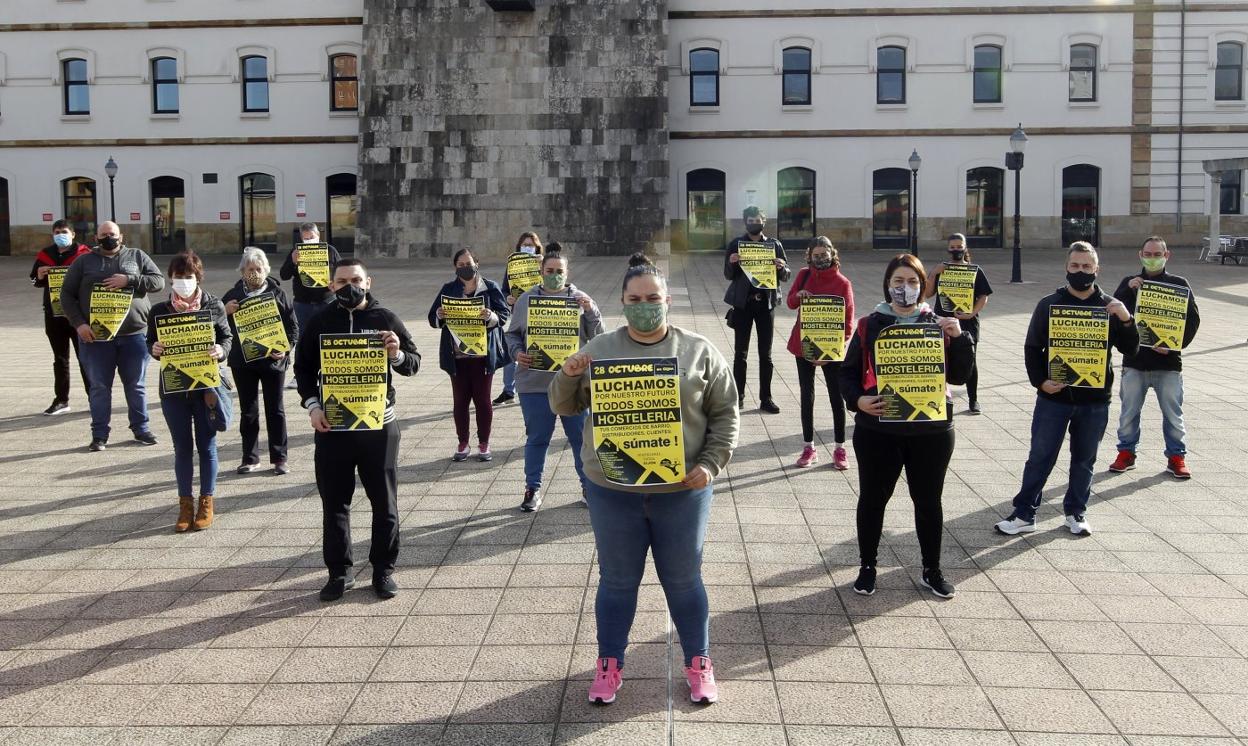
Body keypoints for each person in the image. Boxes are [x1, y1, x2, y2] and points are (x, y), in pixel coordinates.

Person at [551, 260, 739, 707]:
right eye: (635, 299)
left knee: (684, 580)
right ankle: (609, 663)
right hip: (614, 491)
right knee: (617, 582)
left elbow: (725, 413)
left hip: (682, 490)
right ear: (623, 302)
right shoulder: (599, 348)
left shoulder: (699, 350)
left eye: (653, 298)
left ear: (667, 301)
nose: (644, 306)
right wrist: (569, 374)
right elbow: (563, 405)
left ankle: (699, 662)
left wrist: (711, 464)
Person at [840, 254, 973, 599]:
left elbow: (960, 376)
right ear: (888, 285)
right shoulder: (869, 324)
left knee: (928, 502)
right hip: (879, 431)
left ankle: (932, 570)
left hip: (931, 432)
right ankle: (867, 567)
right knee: (873, 499)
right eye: (898, 281)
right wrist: (858, 400)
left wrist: (959, 338)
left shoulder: (939, 324)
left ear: (923, 286)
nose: (905, 288)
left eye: (913, 281)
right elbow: (847, 373)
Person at [295, 258, 421, 602]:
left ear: (368, 282)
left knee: (384, 502)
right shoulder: (320, 321)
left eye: (355, 280)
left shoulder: (386, 319)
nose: (349, 286)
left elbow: (413, 363)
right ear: (331, 285)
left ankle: (383, 571)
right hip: (333, 426)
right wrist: (313, 406)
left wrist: (396, 354)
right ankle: (339, 573)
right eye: (341, 281)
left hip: (379, 427)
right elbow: (302, 368)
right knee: (335, 503)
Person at [995, 242, 1138, 537]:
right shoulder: (1049, 304)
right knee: (1040, 457)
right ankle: (1024, 514)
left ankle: (1076, 512)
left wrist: (1126, 320)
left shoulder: (1110, 307)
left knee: (1084, 461)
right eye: (1075, 266)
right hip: (1054, 398)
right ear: (1066, 268)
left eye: (1086, 266)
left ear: (1096, 270)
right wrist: (1040, 382)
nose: (1080, 271)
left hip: (1094, 400)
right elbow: (1032, 347)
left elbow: (1131, 350)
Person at [505, 250, 605, 511]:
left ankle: (588, 486)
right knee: (537, 438)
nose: (554, 275)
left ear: (567, 273)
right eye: (549, 271)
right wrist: (517, 353)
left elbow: (598, 337)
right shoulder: (526, 300)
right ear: (541, 272)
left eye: (560, 271)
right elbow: (512, 334)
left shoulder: (580, 299)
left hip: (573, 385)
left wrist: (591, 311)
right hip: (534, 383)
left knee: (580, 439)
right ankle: (532, 489)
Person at [60, 221, 165, 451]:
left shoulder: (137, 256)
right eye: (104, 234)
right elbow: (66, 294)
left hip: (134, 334)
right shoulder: (83, 261)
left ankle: (141, 429)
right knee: (99, 387)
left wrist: (129, 280)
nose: (109, 238)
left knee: (136, 385)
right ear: (96, 238)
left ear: (121, 236)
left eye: (113, 234)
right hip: (96, 337)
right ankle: (99, 435)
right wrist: (79, 324)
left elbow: (158, 282)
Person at [147, 251, 232, 532]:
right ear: (171, 279)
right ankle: (185, 503)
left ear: (198, 278)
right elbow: (150, 342)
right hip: (174, 389)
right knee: (182, 447)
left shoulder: (213, 305)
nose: (183, 282)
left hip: (205, 387)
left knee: (207, 446)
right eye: (178, 277)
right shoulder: (159, 311)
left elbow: (226, 336)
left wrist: (221, 350)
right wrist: (154, 349)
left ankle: (207, 500)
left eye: (188, 276)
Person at [1109, 236, 1201, 479]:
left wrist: (1175, 345)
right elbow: (1114, 316)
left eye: (1157, 254)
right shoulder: (1129, 283)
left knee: (1173, 414)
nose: (1152, 258)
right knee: (1128, 412)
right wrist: (1127, 290)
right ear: (1140, 255)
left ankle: (1176, 457)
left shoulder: (1179, 284)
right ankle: (1126, 453)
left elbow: (1193, 320)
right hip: (1135, 362)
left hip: (1168, 364)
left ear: (1166, 255)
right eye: (1148, 254)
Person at [428, 248, 510, 462]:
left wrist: (491, 316)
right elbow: (432, 318)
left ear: (477, 264)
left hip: (483, 356)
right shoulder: (448, 289)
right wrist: (439, 315)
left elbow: (504, 315)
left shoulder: (490, 287)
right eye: (461, 265)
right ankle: (463, 442)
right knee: (460, 401)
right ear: (455, 267)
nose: (465, 268)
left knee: (483, 400)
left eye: (469, 263)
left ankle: (484, 443)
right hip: (457, 357)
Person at [222, 246, 299, 476]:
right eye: (250, 269)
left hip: (272, 361)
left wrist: (285, 348)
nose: (254, 273)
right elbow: (217, 328)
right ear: (242, 272)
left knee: (275, 409)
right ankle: (250, 458)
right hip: (243, 362)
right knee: (248, 411)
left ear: (266, 270)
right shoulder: (232, 296)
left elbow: (293, 327)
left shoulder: (278, 294)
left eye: (258, 269)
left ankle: (280, 458)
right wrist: (224, 311)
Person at [786, 237, 855, 470]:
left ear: (832, 254)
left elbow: (848, 322)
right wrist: (799, 295)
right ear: (809, 256)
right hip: (803, 345)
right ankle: (809, 447)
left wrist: (829, 351)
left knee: (837, 397)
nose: (820, 259)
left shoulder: (843, 283)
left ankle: (839, 448)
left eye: (824, 255)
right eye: (816, 255)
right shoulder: (803, 275)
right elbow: (790, 303)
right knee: (807, 396)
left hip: (831, 349)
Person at [724, 206, 791, 413]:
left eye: (758, 220)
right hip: (743, 304)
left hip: (765, 304)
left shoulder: (774, 244)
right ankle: (739, 396)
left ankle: (766, 398)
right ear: (745, 222)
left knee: (766, 354)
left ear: (764, 221)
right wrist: (732, 263)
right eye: (751, 220)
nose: (754, 223)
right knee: (740, 354)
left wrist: (782, 267)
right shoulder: (736, 244)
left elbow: (786, 275)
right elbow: (728, 275)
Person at [924, 233, 993, 414]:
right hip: (943, 321)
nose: (956, 250)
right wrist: (934, 273)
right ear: (948, 249)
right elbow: (927, 294)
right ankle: (939, 398)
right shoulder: (941, 269)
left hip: (968, 323)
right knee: (940, 359)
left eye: (959, 246)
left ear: (965, 247)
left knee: (970, 360)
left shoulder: (974, 270)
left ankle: (973, 400)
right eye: (953, 247)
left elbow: (983, 296)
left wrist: (971, 313)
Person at [29, 219, 91, 415]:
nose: (60, 235)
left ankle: (95, 397)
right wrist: (39, 275)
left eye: (64, 231)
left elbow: (92, 280)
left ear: (73, 234)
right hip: (54, 314)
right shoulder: (45, 255)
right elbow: (34, 281)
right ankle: (61, 400)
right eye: (57, 232)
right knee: (60, 359)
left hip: (78, 315)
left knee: (85, 358)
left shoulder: (84, 254)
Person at [280, 222, 342, 388]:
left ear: (318, 236)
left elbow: (342, 270)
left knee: (329, 337)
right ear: (301, 238)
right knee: (302, 339)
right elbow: (284, 275)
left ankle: (330, 372)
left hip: (326, 301)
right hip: (303, 303)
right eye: (305, 239)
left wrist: (335, 282)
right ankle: (299, 375)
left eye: (311, 238)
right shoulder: (296, 252)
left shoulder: (330, 250)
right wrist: (293, 262)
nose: (309, 241)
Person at [494, 231, 544, 405]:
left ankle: (540, 388)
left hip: (540, 315)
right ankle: (509, 390)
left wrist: (542, 264)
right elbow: (504, 289)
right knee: (511, 350)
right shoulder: (512, 266)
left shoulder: (544, 264)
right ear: (519, 247)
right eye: (525, 245)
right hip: (519, 314)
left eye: (531, 245)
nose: (527, 247)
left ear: (537, 247)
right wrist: (507, 298)